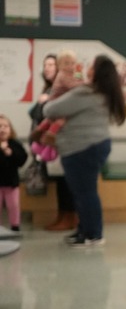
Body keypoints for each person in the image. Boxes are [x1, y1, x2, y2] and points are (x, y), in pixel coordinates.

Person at [41, 55, 126, 247]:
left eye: (91, 66)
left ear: (96, 72)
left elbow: (49, 110)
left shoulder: (86, 93)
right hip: (92, 147)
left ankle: (93, 234)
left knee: (85, 193)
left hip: (82, 149)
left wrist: (49, 100)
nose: (87, 69)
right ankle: (85, 230)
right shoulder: (103, 94)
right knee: (84, 192)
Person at [28, 53, 77, 232]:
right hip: (48, 145)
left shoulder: (63, 89)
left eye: (51, 64)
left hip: (61, 143)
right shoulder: (48, 89)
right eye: (45, 65)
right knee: (60, 183)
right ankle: (62, 216)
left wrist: (46, 103)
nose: (47, 68)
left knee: (66, 183)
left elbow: (55, 114)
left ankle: (69, 218)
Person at [0, 114, 29, 231]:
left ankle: (15, 226)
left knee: (13, 206)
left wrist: (9, 152)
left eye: (5, 126)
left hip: (11, 182)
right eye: (0, 126)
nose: (2, 129)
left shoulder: (15, 144)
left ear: (10, 129)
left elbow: (22, 159)